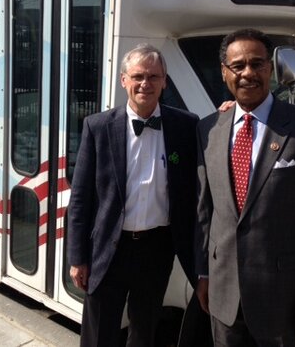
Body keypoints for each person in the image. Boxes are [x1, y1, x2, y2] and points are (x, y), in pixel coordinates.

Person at [194, 29, 295, 346]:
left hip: (283, 304)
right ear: (224, 72)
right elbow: (205, 212)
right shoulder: (208, 129)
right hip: (223, 297)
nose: (248, 73)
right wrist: (204, 273)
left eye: (257, 64)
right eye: (238, 66)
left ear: (271, 69)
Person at [67, 43, 199, 347]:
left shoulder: (185, 125)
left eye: (153, 76)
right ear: (123, 80)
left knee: (144, 331)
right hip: (108, 248)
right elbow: (80, 199)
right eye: (138, 76)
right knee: (99, 333)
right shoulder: (98, 126)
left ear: (164, 81)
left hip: (157, 248)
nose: (145, 84)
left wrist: (228, 110)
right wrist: (77, 258)